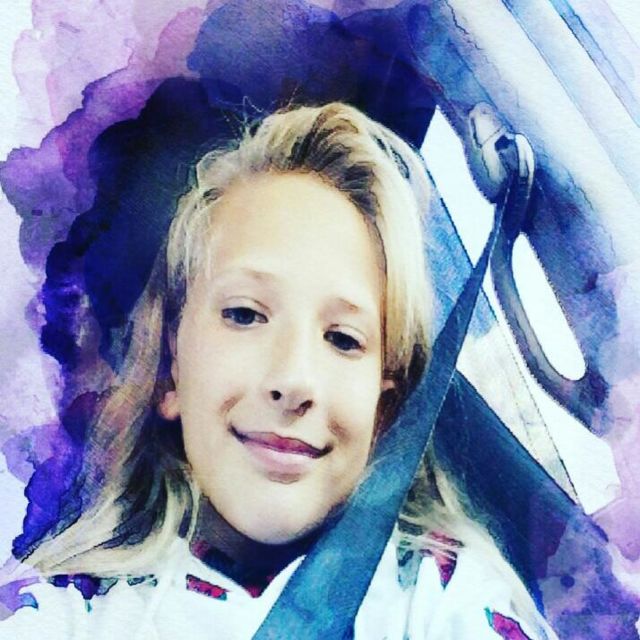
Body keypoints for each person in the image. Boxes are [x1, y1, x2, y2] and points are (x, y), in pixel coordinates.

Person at [0, 102, 554, 639]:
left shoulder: (439, 596)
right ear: (172, 371)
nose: (294, 380)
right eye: (244, 314)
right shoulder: (67, 612)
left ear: (384, 409)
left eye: (343, 339)